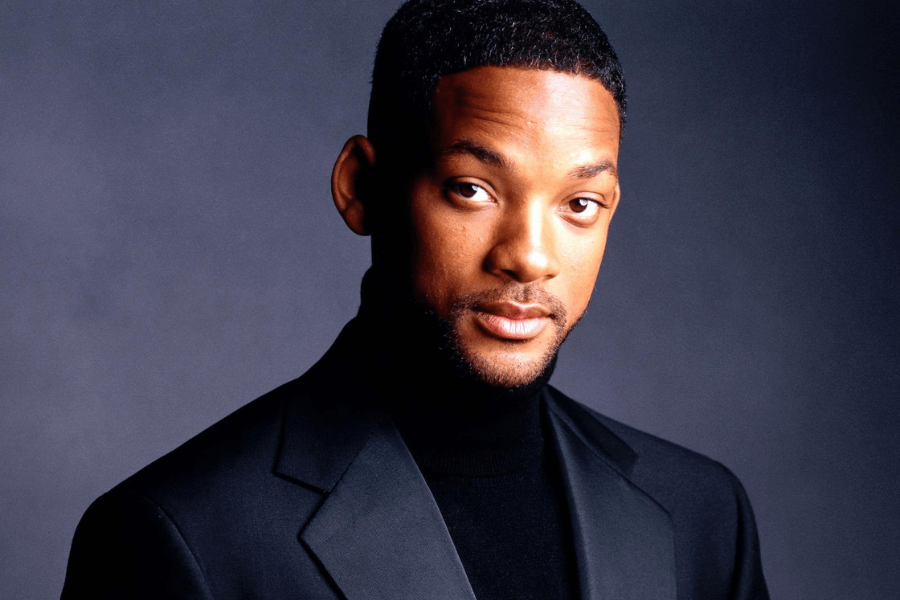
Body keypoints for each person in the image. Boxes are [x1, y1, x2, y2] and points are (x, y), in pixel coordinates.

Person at [61, 1, 769, 598]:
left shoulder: (701, 516)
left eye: (579, 203)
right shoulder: (179, 536)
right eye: (472, 189)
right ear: (361, 187)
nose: (529, 255)